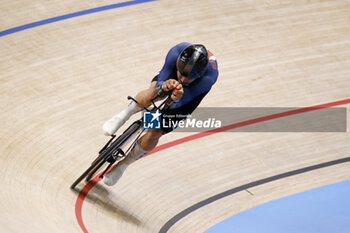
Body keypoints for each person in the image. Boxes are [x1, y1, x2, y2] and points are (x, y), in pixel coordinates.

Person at [102, 42, 219, 186]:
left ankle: (123, 165)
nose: (182, 79)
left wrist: (177, 96)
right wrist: (163, 86)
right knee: (152, 93)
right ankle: (124, 115)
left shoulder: (208, 77)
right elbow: (160, 83)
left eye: (187, 78)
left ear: (198, 75)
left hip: (191, 93)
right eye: (181, 74)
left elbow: (181, 102)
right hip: (169, 76)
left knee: (156, 130)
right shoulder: (177, 51)